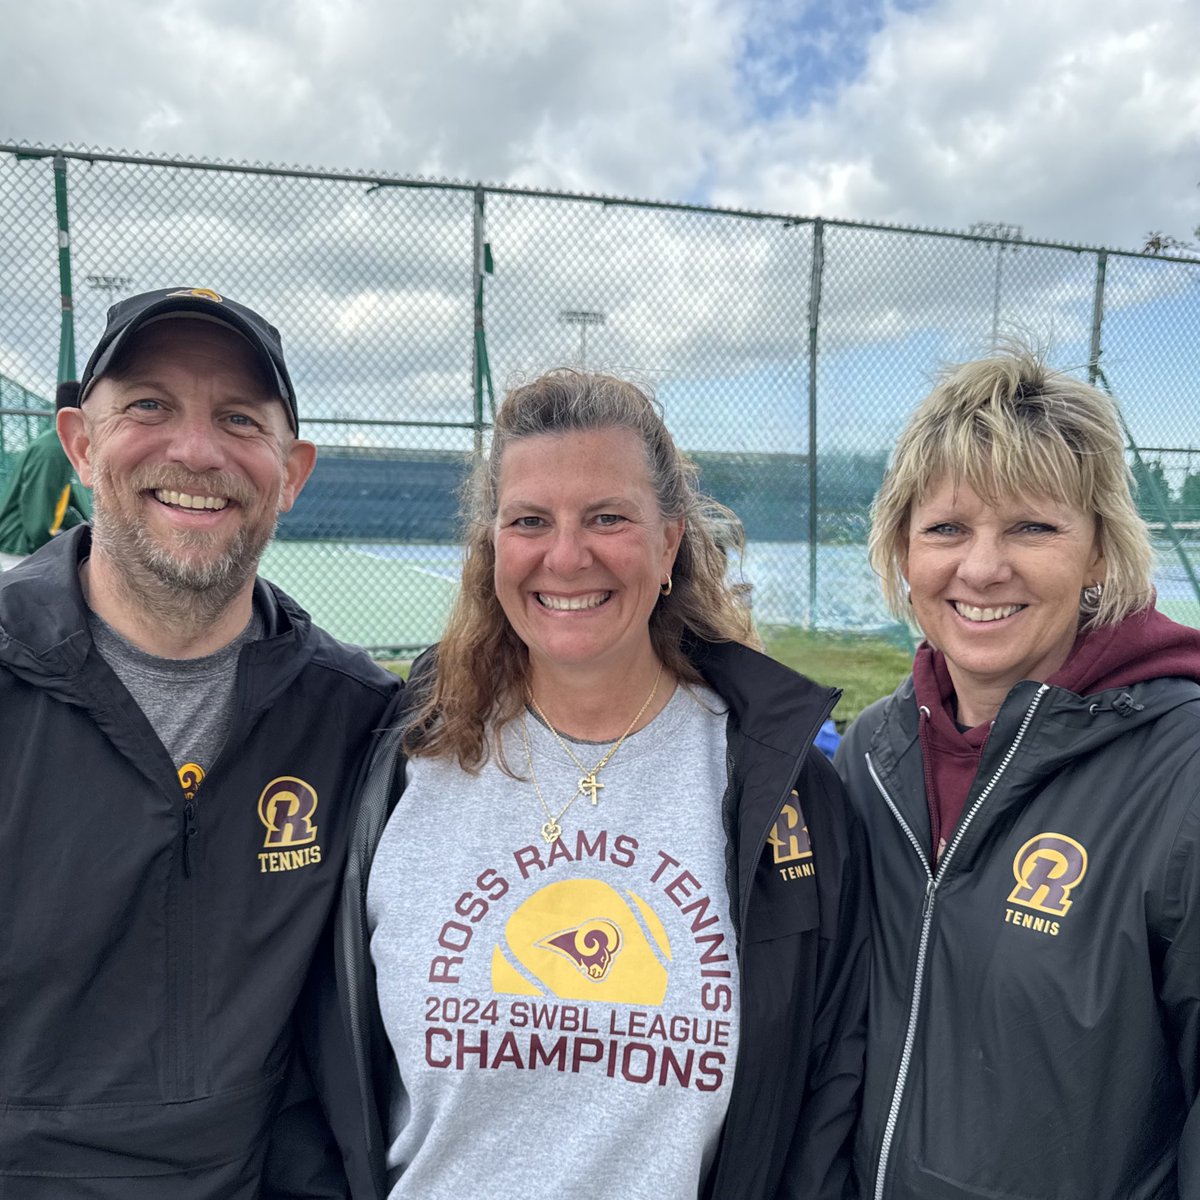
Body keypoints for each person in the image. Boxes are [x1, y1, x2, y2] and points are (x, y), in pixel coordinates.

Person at [309, 369, 868, 1199]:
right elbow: (320, 1080)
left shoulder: (782, 790)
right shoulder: (400, 761)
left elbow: (827, 1096)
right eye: (530, 521)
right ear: (492, 547)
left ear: (669, 543)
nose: (567, 556)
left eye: (607, 518)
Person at [0, 286, 398, 1197]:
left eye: (239, 419)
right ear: (80, 444)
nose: (196, 451)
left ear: (291, 472)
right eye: (149, 406)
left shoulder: (361, 720)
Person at [836, 346, 1200, 1199]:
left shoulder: (1180, 772)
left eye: (1032, 527)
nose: (982, 567)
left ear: (1099, 553)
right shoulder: (871, 758)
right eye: (946, 529)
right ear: (903, 551)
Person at [0, 379, 92, 554]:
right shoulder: (52, 451)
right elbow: (37, 517)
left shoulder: (61, 445)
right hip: (17, 543)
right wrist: (48, 553)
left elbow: (60, 502)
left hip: (32, 537)